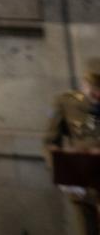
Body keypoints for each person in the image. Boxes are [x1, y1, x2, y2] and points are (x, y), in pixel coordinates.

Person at [43, 59, 100, 235]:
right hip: (83, 184)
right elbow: (50, 141)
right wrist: (61, 171)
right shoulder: (66, 103)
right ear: (85, 83)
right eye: (93, 88)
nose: (96, 94)